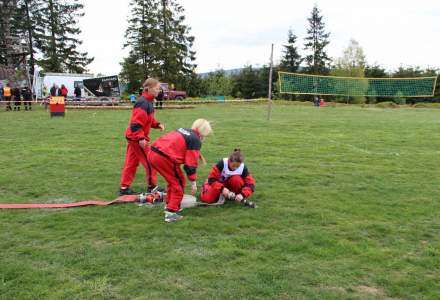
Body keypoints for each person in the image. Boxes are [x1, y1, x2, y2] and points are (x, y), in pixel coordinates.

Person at [148, 119, 212, 222]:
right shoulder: (195, 140)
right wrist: (193, 182)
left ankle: (169, 204)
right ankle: (171, 212)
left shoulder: (184, 130)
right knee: (179, 183)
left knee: (172, 181)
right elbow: (190, 165)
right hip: (163, 157)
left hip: (153, 152)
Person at [119, 78, 165, 196]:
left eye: (159, 88)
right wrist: (141, 138)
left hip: (132, 136)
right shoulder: (143, 102)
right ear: (148, 89)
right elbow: (136, 123)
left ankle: (124, 188)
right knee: (151, 162)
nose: (158, 91)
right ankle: (152, 187)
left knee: (131, 163)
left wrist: (157, 124)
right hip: (136, 138)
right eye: (156, 88)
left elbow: (148, 119)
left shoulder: (148, 101)